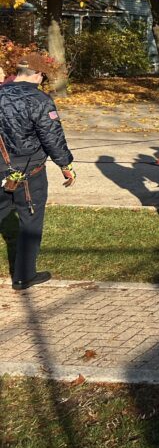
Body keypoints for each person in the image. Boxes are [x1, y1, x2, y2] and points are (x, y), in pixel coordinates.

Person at [0, 53, 75, 290]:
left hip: (1, 166)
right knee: (30, 221)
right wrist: (65, 165)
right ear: (37, 74)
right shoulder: (40, 100)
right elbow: (52, 137)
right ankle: (23, 276)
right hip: (29, 170)